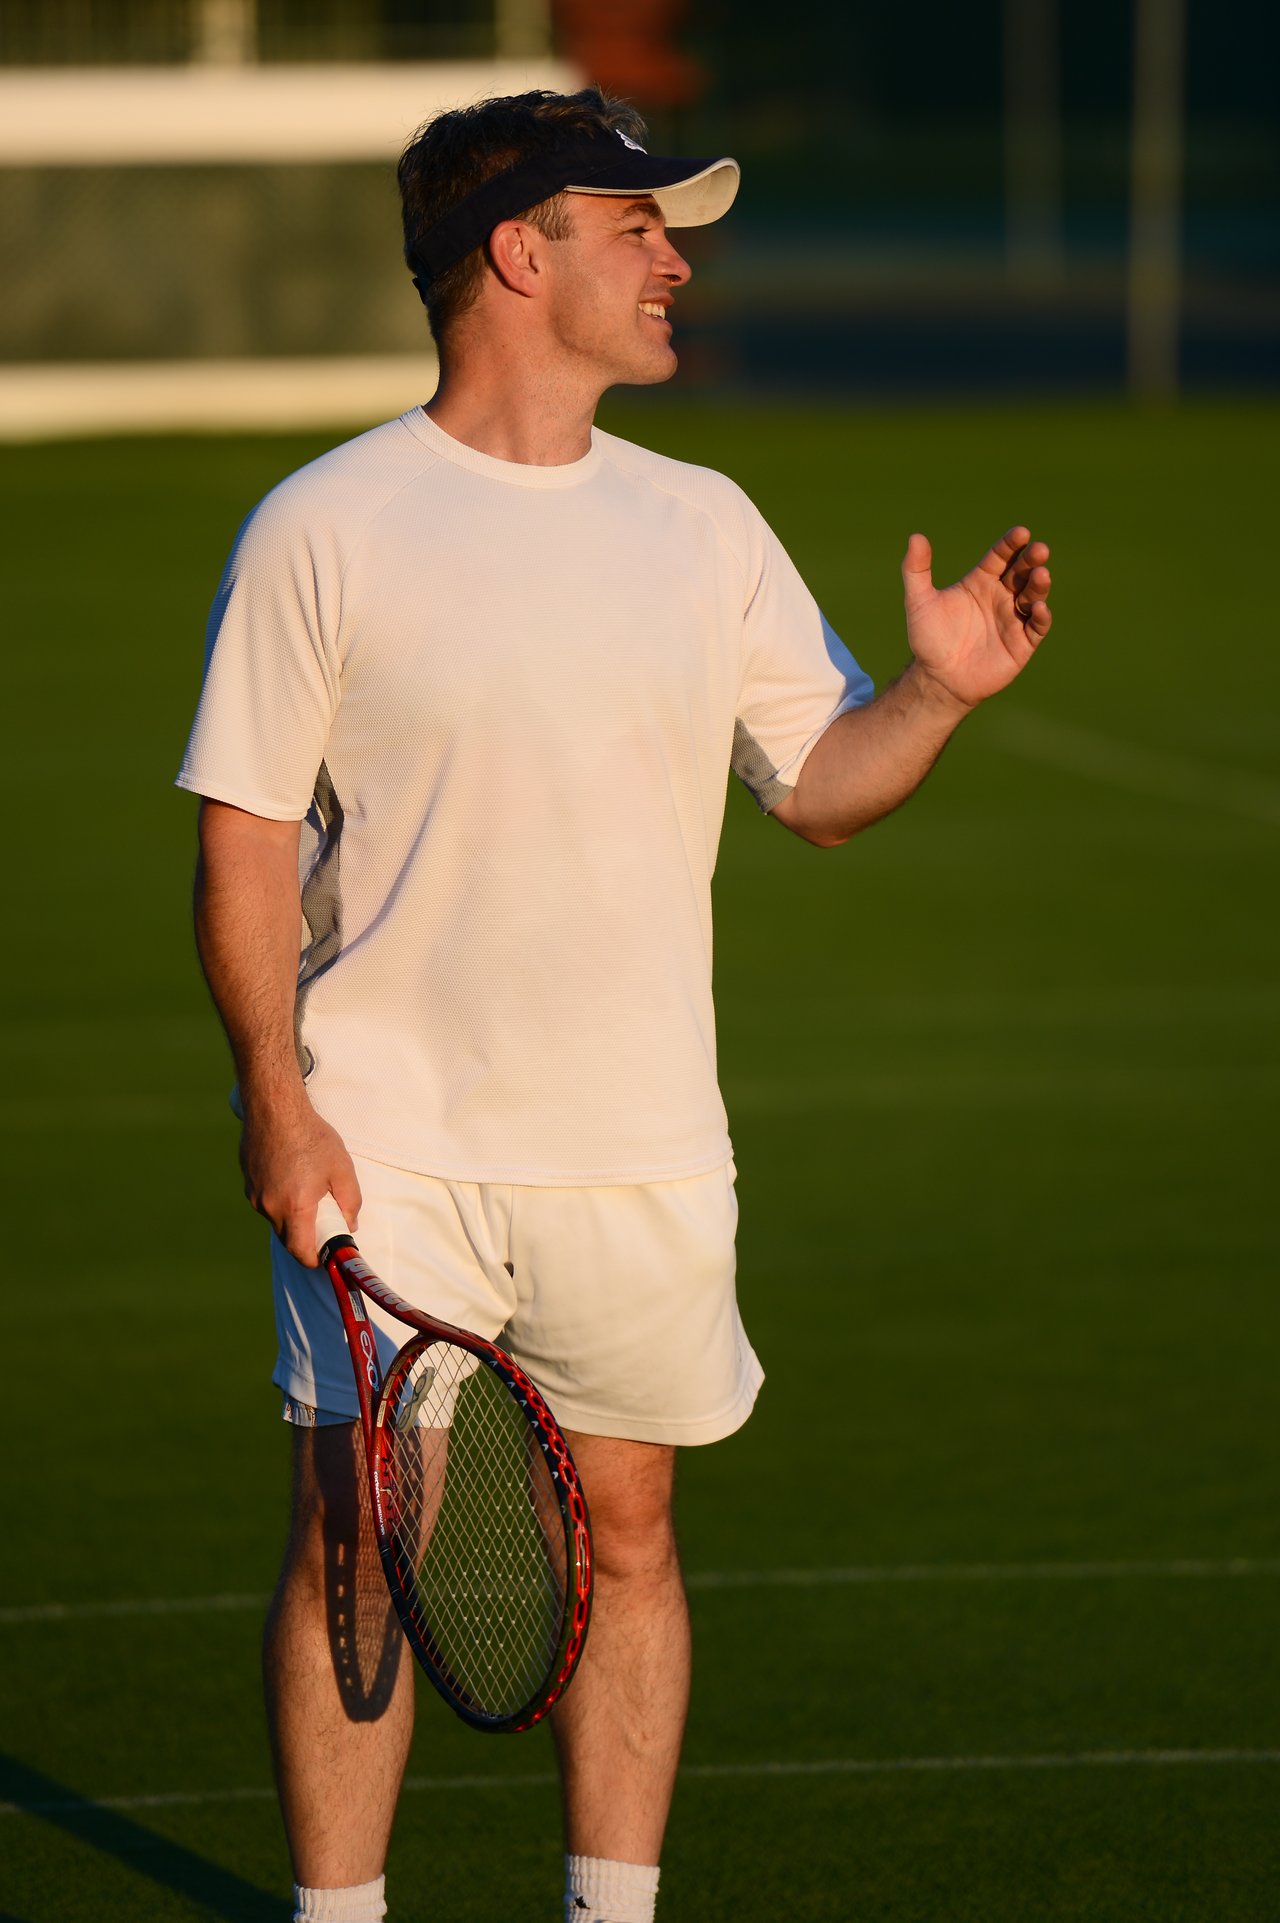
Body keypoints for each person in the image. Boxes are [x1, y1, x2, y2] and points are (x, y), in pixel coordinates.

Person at [178, 86, 1052, 1923]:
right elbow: (246, 840)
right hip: (389, 1139)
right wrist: (279, 1097)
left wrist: (940, 694)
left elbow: (817, 784)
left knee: (633, 1538)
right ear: (519, 254)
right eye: (635, 224)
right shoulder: (321, 528)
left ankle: (614, 1913)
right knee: (358, 1546)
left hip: (639, 1142)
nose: (676, 258)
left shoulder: (706, 521)